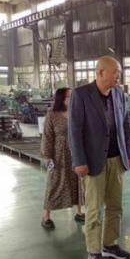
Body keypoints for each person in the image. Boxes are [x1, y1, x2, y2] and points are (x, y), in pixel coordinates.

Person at [69, 55, 130, 259]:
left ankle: (110, 245)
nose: (118, 76)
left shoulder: (119, 94)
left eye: (119, 73)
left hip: (116, 159)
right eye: (115, 72)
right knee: (94, 208)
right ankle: (94, 251)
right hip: (93, 161)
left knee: (115, 206)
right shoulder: (81, 95)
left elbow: (125, 125)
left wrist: (128, 153)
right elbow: (74, 131)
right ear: (101, 72)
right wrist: (79, 160)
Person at [41, 87, 84, 229]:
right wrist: (48, 156)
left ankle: (79, 211)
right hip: (59, 155)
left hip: (76, 153)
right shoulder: (52, 114)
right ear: (61, 99)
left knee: (78, 182)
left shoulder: (77, 113)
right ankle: (46, 216)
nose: (72, 99)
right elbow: (47, 136)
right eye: (69, 97)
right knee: (55, 184)